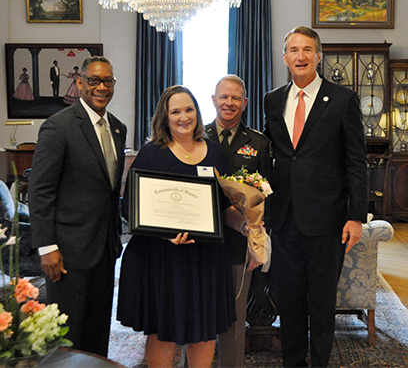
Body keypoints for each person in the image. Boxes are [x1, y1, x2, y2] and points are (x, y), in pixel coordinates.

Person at [117, 85, 246, 368]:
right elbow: (130, 208)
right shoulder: (152, 153)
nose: (183, 117)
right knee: (163, 331)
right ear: (165, 117)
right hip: (163, 260)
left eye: (189, 110)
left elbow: (221, 206)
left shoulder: (213, 152)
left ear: (198, 114)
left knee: (203, 330)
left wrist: (246, 223)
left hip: (206, 259)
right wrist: (166, 234)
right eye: (175, 111)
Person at [263, 26, 368, 367]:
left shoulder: (342, 99)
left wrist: (356, 216)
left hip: (328, 220)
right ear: (285, 58)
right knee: (289, 300)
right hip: (284, 218)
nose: (301, 56)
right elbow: (274, 155)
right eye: (294, 50)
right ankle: (293, 362)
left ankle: (320, 361)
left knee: (322, 302)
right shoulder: (273, 99)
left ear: (318, 56)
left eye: (307, 50)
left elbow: (356, 161)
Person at [28, 55, 127, 357]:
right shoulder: (59, 127)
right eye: (94, 80)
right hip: (68, 252)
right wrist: (47, 247)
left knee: (98, 329)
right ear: (80, 82)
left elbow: (109, 191)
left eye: (107, 81)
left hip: (105, 248)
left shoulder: (118, 128)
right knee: (68, 336)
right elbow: (40, 191)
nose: (101, 87)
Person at [205, 75, 272, 368]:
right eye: (223, 97)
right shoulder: (195, 136)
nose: (229, 103)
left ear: (245, 103)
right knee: (198, 311)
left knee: (234, 315)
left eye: (235, 98)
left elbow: (269, 194)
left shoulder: (259, 142)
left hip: (239, 243)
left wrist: (257, 242)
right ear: (213, 100)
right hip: (200, 241)